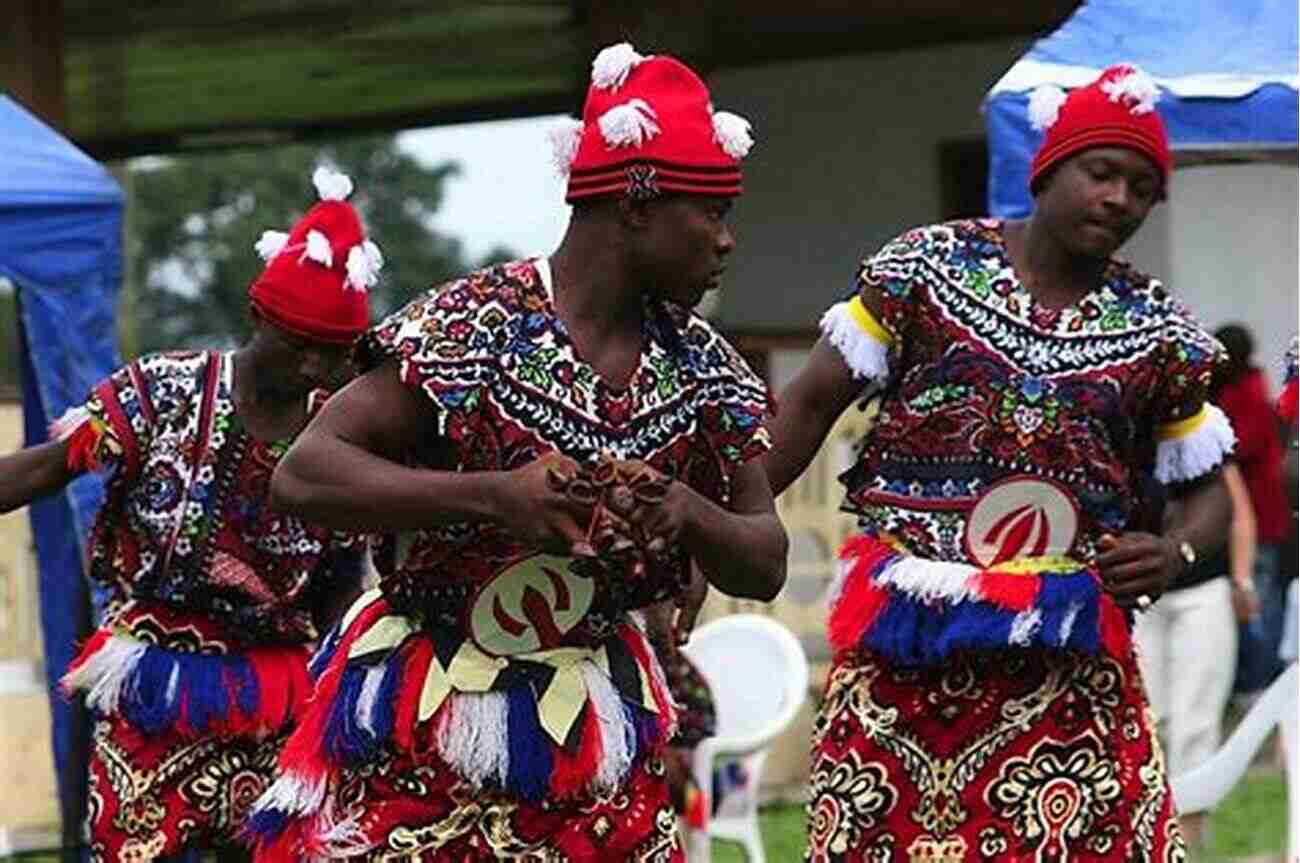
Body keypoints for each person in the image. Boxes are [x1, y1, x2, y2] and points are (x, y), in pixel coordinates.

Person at [246, 42, 786, 862]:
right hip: (431, 721)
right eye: (710, 211)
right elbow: (306, 472)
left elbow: (765, 557)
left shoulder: (704, 365)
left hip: (599, 729)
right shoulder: (475, 325)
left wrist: (687, 511)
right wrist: (495, 496)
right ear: (636, 205)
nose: (726, 241)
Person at [763, 65, 1233, 861]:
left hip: (1068, 672)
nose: (1119, 198)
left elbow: (1213, 495)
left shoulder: (1159, 330)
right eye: (1102, 172)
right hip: (905, 658)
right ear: (1047, 168)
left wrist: (1174, 548)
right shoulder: (925, 270)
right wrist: (717, 524)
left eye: (1143, 187)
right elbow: (808, 404)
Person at [0, 166, 377, 861]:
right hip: (153, 689)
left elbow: (342, 576)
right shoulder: (164, 388)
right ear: (257, 315)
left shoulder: (340, 432)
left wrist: (349, 686)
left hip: (279, 701)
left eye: (332, 352)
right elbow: (48, 466)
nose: (312, 366)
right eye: (298, 343)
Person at [1134, 460, 1255, 849]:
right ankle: (1152, 836)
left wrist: (1242, 580)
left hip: (1204, 591)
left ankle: (1189, 841)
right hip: (1142, 600)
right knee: (1149, 721)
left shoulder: (1200, 439)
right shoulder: (1121, 433)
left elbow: (1238, 513)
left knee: (1196, 723)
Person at [1214, 324, 1290, 697]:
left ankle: (1261, 683)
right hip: (1244, 520)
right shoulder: (1242, 392)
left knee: (1259, 604)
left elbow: (1237, 448)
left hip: (1259, 518)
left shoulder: (1248, 398)